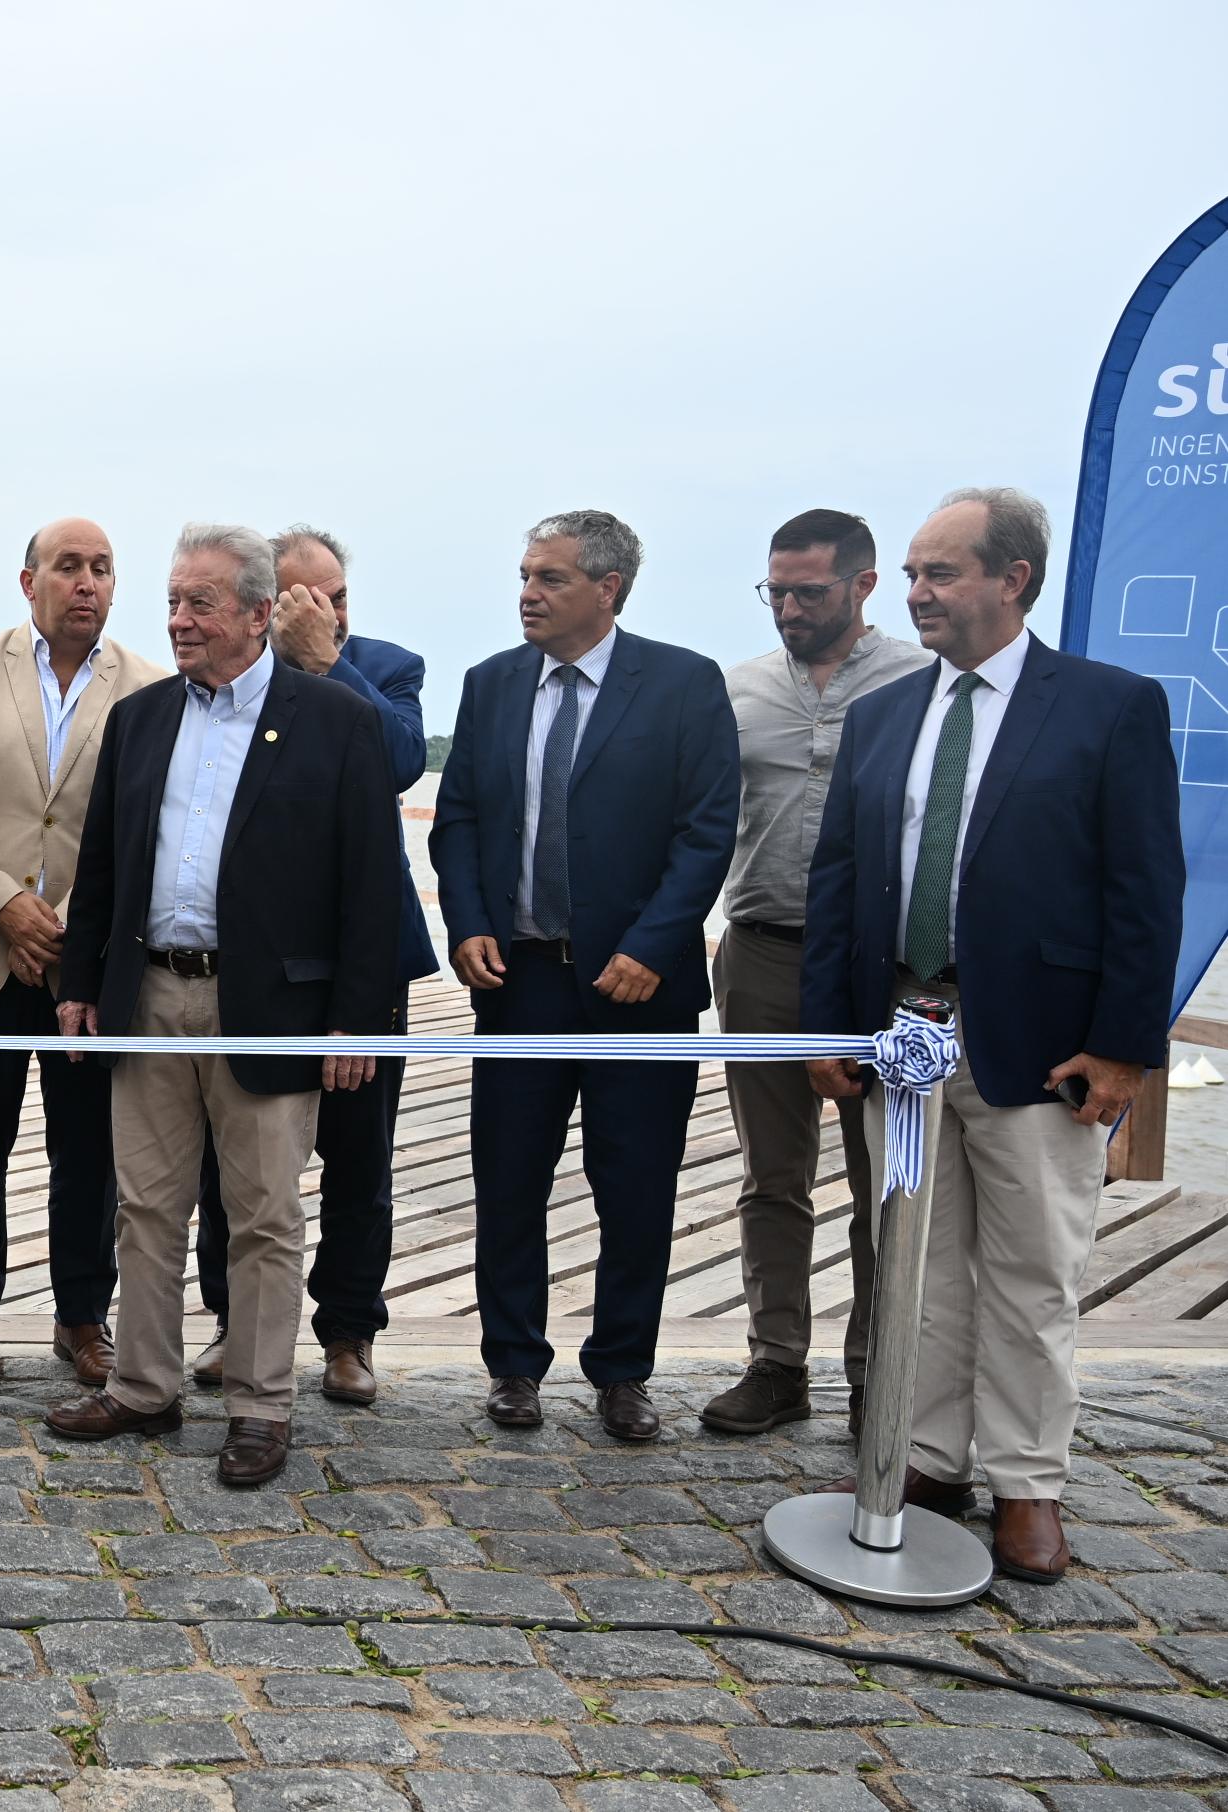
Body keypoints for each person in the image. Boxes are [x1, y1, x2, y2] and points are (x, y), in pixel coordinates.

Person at [803, 487, 1183, 1582]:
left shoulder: (1107, 707)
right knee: (915, 1268)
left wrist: (1122, 1048)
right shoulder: (882, 714)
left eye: (938, 574)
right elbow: (837, 880)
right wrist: (833, 1026)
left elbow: (1143, 887)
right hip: (902, 1043)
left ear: (1010, 579)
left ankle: (1026, 1484)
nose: (914, 594)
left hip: (1036, 1051)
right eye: (913, 575)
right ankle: (926, 1457)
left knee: (1030, 1271)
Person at [52, 523, 402, 1486]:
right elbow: (106, 866)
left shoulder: (337, 721)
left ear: (258, 613)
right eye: (172, 601)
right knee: (147, 1207)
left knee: (263, 1216)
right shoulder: (143, 716)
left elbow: (372, 881)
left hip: (270, 1010)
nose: (178, 620)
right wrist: (81, 984)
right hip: (148, 997)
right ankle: (143, 1389)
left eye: (199, 603)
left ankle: (258, 1405)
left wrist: (355, 1019)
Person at [428, 510, 736, 1443]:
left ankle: (622, 1373)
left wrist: (652, 944)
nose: (528, 592)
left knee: (636, 1186)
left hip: (637, 990)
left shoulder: (683, 683)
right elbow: (461, 822)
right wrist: (470, 921)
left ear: (609, 589)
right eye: (525, 574)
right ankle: (514, 1367)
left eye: (551, 578)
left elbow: (707, 829)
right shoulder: (490, 685)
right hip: (518, 982)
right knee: (508, 1180)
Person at [189, 524, 437, 1407]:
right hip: (255, 962)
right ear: (261, 603)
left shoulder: (386, 665)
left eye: (333, 594)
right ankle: (233, 1322)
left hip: (363, 955)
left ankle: (348, 1334)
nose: (319, 610)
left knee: (359, 1159)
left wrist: (328, 661)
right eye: (298, 598)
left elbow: (400, 761)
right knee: (235, 1161)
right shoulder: (226, 676)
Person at [0, 519, 167, 1393]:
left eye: (103, 567)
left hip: (85, 963)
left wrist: (58, 924)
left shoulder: (147, 685)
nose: (87, 583)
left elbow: (136, 828)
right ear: (29, 582)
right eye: (69, 567)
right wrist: (9, 909)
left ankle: (81, 1319)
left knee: (89, 1153)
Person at [699, 510, 929, 1438]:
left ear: (864, 586)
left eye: (809, 592)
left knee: (886, 1177)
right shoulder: (738, 689)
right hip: (761, 951)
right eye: (776, 592)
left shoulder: (921, 681)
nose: (788, 609)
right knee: (771, 1174)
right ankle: (776, 1362)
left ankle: (880, 1371)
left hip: (884, 969)